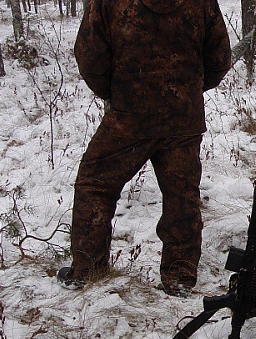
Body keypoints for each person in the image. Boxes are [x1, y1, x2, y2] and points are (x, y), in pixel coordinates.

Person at [57, 0, 232, 297]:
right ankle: (179, 275)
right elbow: (219, 58)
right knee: (182, 194)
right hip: (182, 115)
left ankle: (87, 269)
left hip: (130, 115)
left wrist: (116, 92)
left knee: (95, 183)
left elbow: (90, 56)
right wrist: (185, 90)